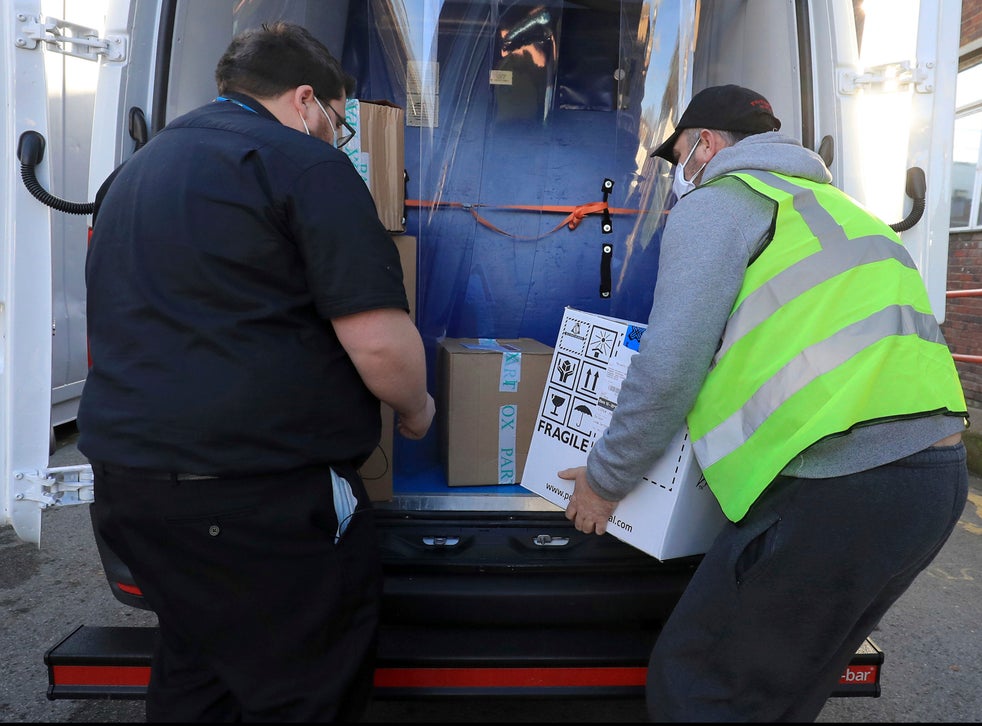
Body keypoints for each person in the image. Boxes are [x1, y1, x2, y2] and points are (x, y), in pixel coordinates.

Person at [558, 84, 969, 722]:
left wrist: (604, 481)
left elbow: (669, 366)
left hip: (846, 483)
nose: (680, 173)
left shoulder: (722, 204)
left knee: (698, 686)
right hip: (932, 485)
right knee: (779, 693)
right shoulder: (839, 209)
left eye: (679, 158)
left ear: (707, 144)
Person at [79, 21, 434, 722]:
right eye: (340, 121)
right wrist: (418, 409)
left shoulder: (135, 172)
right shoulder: (304, 166)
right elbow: (380, 346)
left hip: (133, 493)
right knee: (304, 686)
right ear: (306, 100)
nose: (340, 137)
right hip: (255, 506)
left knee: (199, 669)